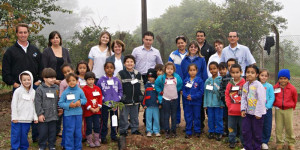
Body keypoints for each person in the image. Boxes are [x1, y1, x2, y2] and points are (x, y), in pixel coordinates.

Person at [2, 23, 42, 142]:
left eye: (25, 32)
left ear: (28, 33)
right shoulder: (10, 51)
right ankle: (19, 139)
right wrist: (14, 84)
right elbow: (5, 72)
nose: (23, 35)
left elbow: (41, 67)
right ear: (16, 34)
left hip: (34, 88)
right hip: (18, 89)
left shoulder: (35, 50)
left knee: (36, 111)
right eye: (20, 32)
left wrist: (38, 81)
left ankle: (36, 137)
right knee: (19, 113)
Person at [181, 41, 208, 131]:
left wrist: (204, 86)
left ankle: (199, 126)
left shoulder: (201, 59)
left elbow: (204, 73)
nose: (193, 48)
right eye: (191, 47)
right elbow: (182, 74)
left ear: (198, 49)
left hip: (198, 86)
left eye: (195, 47)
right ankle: (189, 126)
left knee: (198, 109)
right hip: (187, 86)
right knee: (187, 108)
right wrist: (183, 87)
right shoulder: (185, 59)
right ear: (188, 48)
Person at [117, 55, 145, 136]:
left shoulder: (138, 74)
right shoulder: (121, 74)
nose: (130, 63)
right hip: (124, 101)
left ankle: (134, 129)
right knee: (123, 117)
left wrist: (141, 94)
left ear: (134, 63)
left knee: (135, 116)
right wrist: (121, 96)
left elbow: (141, 84)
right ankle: (123, 130)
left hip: (135, 100)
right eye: (127, 62)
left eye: (131, 62)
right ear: (124, 63)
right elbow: (118, 86)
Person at [58, 73, 87, 150]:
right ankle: (69, 147)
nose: (72, 82)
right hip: (68, 115)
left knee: (78, 131)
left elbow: (85, 100)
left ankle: (78, 147)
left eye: (73, 80)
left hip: (78, 114)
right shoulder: (65, 92)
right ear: (67, 82)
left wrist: (80, 102)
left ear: (77, 81)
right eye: (69, 81)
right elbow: (60, 103)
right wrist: (68, 105)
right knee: (69, 131)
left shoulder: (80, 91)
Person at [11, 71, 38, 150]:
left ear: (31, 80)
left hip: (27, 119)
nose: (27, 82)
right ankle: (14, 148)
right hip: (17, 119)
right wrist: (14, 117)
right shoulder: (18, 91)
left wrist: (35, 117)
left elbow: (34, 106)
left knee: (24, 135)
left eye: (28, 79)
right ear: (21, 81)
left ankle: (24, 148)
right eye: (24, 80)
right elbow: (14, 105)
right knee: (15, 135)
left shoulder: (33, 92)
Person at [241, 65, 266, 150]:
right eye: (248, 72)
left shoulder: (259, 85)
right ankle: (248, 147)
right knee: (246, 131)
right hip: (247, 114)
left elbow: (261, 99)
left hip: (257, 115)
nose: (249, 74)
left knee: (257, 133)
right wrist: (243, 109)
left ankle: (256, 147)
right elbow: (243, 98)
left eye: (252, 72)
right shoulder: (245, 85)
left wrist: (258, 113)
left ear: (256, 75)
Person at [155, 62, 183, 139]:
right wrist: (160, 91)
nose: (169, 70)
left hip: (174, 99)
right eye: (168, 69)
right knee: (166, 116)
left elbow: (180, 84)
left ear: (174, 70)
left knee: (174, 115)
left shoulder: (177, 77)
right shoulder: (161, 78)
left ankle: (173, 131)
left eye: (171, 69)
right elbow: (156, 85)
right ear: (165, 69)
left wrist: (176, 90)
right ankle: (167, 130)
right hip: (165, 99)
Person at [97, 62, 123, 143]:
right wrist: (104, 100)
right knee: (104, 120)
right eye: (107, 67)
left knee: (114, 119)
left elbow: (120, 90)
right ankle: (103, 136)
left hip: (114, 104)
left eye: (111, 67)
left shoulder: (117, 80)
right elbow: (98, 91)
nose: (109, 69)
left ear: (114, 69)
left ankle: (114, 135)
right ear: (104, 69)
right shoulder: (101, 80)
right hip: (105, 104)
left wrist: (118, 98)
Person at [34, 68, 59, 150]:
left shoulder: (56, 88)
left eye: (54, 77)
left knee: (53, 132)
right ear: (45, 78)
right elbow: (37, 102)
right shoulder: (40, 89)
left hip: (54, 115)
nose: (54, 79)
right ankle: (42, 145)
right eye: (51, 78)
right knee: (43, 132)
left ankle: (52, 145)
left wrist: (60, 109)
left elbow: (59, 99)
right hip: (44, 116)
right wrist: (40, 114)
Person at [273, 69, 298, 150]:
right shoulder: (275, 87)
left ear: (288, 79)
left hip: (288, 110)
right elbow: (273, 97)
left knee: (289, 126)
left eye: (285, 78)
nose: (283, 80)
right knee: (279, 127)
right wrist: (275, 105)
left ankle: (291, 142)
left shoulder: (292, 88)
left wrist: (292, 107)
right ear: (278, 79)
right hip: (278, 110)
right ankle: (279, 143)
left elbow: (295, 98)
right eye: (281, 78)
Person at [168, 35, 188, 126]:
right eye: (178, 43)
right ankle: (176, 122)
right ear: (176, 44)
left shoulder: (189, 54)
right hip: (175, 82)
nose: (180, 44)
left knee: (186, 102)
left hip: (188, 82)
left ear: (185, 43)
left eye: (182, 42)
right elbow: (169, 68)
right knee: (175, 102)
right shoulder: (173, 54)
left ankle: (188, 122)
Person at [225, 63, 246, 149]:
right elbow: (227, 95)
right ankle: (232, 141)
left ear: (241, 72)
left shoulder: (244, 83)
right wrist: (229, 106)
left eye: (237, 72)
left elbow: (246, 95)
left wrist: (244, 108)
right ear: (230, 73)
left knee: (243, 128)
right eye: (233, 72)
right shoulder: (230, 84)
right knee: (231, 128)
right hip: (231, 112)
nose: (235, 74)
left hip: (242, 112)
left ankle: (244, 142)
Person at [182, 64, 204, 138]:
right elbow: (183, 90)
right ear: (188, 71)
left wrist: (193, 97)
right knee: (188, 116)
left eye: (194, 70)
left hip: (196, 103)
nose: (192, 72)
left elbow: (201, 91)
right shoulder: (186, 80)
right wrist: (186, 96)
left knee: (197, 116)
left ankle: (197, 130)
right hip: (187, 103)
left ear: (197, 71)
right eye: (190, 70)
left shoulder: (199, 80)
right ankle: (188, 131)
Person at [203, 62, 224, 141]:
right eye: (211, 69)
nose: (213, 70)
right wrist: (205, 104)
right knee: (210, 118)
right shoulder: (207, 81)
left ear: (218, 69)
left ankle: (219, 132)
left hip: (219, 104)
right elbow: (206, 93)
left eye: (214, 68)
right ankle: (211, 131)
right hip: (210, 104)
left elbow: (223, 94)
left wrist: (222, 103)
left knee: (218, 118)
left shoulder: (221, 80)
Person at [82, 72, 102, 147]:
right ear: (86, 80)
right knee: (89, 126)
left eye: (92, 79)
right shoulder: (84, 89)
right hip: (88, 112)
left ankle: (96, 139)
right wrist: (90, 108)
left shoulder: (97, 88)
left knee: (97, 125)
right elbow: (84, 100)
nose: (91, 81)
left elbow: (100, 98)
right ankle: (89, 140)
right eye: (89, 79)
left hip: (97, 111)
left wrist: (98, 107)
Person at [258, 69, 275, 150]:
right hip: (258, 109)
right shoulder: (256, 85)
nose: (264, 77)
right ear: (258, 75)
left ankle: (264, 142)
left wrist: (267, 106)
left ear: (268, 77)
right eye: (262, 75)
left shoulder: (269, 86)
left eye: (265, 76)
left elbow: (272, 97)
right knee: (258, 125)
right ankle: (258, 141)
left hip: (267, 110)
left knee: (267, 125)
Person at [142, 68, 161, 137]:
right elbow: (144, 96)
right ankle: (149, 130)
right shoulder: (146, 86)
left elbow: (159, 95)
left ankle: (156, 130)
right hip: (148, 106)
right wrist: (143, 104)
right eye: (149, 77)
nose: (150, 79)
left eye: (152, 77)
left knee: (156, 118)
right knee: (148, 119)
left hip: (156, 105)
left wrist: (160, 103)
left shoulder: (157, 85)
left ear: (155, 77)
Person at [218, 62, 232, 137]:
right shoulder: (221, 78)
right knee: (225, 116)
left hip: (231, 101)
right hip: (224, 101)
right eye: (220, 70)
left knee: (230, 117)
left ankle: (231, 132)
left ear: (227, 69)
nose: (221, 71)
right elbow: (221, 90)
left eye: (223, 69)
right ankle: (226, 130)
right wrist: (223, 98)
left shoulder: (230, 78)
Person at [154, 64, 165, 133]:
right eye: (157, 71)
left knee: (162, 114)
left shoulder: (163, 79)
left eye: (160, 70)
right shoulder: (154, 80)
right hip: (155, 100)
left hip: (162, 99)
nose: (158, 72)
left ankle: (162, 127)